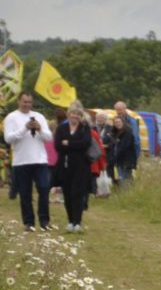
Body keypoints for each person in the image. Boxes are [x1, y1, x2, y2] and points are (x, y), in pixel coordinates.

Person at [3, 92, 54, 231]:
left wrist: (39, 129)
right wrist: (25, 128)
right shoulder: (11, 117)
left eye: (29, 102)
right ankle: (29, 223)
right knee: (25, 193)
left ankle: (44, 221)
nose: (27, 104)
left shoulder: (40, 117)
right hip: (21, 161)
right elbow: (8, 138)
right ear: (19, 101)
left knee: (44, 189)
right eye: (24, 102)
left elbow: (49, 137)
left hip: (39, 159)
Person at [54, 102, 94, 232]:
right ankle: (70, 220)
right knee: (67, 194)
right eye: (72, 113)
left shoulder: (84, 128)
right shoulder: (61, 128)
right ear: (68, 114)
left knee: (78, 194)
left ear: (80, 115)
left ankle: (77, 222)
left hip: (81, 166)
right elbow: (58, 146)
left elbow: (86, 144)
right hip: (65, 166)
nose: (75, 116)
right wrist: (75, 145)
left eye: (77, 114)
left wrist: (69, 143)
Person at [109, 112, 136, 186]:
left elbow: (124, 147)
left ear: (123, 122)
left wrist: (115, 157)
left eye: (119, 122)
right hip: (119, 159)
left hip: (126, 159)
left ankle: (126, 192)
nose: (117, 124)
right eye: (115, 122)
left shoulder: (128, 132)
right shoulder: (115, 133)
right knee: (122, 176)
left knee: (125, 177)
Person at [113, 101, 138, 175]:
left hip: (128, 153)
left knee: (126, 175)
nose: (118, 112)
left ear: (125, 109)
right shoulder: (116, 121)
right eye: (117, 110)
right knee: (121, 174)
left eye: (120, 109)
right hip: (119, 152)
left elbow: (135, 138)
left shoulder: (131, 121)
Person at [94, 111, 115, 183]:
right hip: (95, 154)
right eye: (98, 118)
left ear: (105, 119)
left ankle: (110, 187)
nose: (99, 119)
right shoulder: (92, 128)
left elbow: (113, 142)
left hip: (107, 154)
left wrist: (105, 146)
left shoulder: (111, 128)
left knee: (109, 172)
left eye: (101, 118)